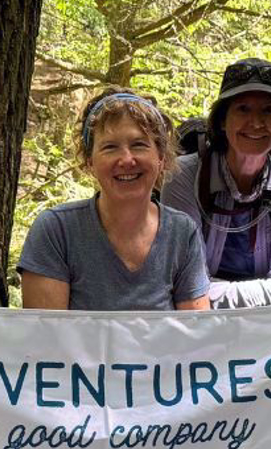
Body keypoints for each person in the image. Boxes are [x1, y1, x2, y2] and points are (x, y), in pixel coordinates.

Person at [18, 90, 211, 312]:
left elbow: (195, 329)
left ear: (161, 157)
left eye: (139, 145)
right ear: (90, 162)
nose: (127, 159)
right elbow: (47, 331)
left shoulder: (182, 232)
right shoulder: (56, 231)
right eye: (110, 147)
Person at [159, 58, 271, 307]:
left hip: (264, 323)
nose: (256, 123)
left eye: (268, 110)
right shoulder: (184, 176)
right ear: (222, 120)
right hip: (198, 321)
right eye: (243, 109)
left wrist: (207, 294)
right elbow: (185, 284)